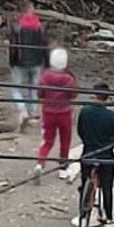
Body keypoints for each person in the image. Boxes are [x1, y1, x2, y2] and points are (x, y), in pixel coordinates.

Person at [76, 83, 114, 227]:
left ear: (93, 95)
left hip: (89, 152)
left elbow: (80, 131)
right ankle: (109, 215)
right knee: (107, 186)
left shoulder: (84, 112)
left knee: (85, 181)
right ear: (107, 97)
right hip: (106, 155)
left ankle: (83, 213)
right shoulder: (113, 116)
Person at [36, 47, 78, 179]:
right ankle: (63, 168)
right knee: (65, 141)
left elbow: (40, 93)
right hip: (64, 112)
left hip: (48, 111)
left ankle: (40, 163)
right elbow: (73, 94)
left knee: (47, 141)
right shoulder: (69, 79)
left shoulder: (44, 76)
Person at [7, 3, 48, 131]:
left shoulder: (17, 27)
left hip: (20, 62)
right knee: (33, 89)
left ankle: (22, 109)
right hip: (36, 62)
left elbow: (13, 46)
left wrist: (12, 61)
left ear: (22, 12)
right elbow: (44, 45)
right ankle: (32, 114)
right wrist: (46, 62)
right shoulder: (39, 26)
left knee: (15, 89)